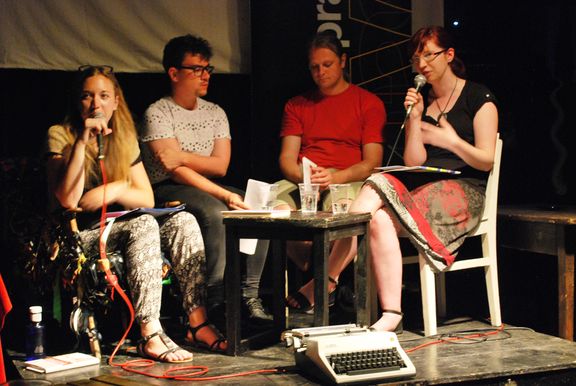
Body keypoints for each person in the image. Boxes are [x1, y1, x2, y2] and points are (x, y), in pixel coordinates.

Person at [287, 25, 499, 330]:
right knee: (378, 214)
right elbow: (414, 160)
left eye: (429, 55)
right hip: (426, 188)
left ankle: (326, 279)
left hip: (465, 194)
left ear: (449, 55)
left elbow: (487, 158)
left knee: (377, 184)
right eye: (417, 59)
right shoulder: (425, 103)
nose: (422, 65)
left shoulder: (479, 97)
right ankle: (392, 314)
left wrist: (450, 141)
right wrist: (414, 119)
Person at [45, 65, 228, 360]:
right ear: (77, 101)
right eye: (87, 96)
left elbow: (145, 195)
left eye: (104, 96)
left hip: (122, 225)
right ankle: (150, 333)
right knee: (143, 224)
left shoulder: (123, 137)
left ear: (116, 101)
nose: (96, 104)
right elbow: (67, 200)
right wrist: (83, 141)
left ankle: (198, 323)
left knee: (183, 221)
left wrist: (115, 189)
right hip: (80, 236)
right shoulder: (61, 135)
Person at [139, 34, 272, 324]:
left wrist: (181, 154)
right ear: (174, 73)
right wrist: (222, 194)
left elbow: (221, 165)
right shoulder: (157, 112)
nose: (204, 75)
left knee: (257, 206)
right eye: (196, 69)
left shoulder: (215, 113)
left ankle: (250, 295)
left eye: (207, 69)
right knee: (214, 211)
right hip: (168, 187)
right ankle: (214, 298)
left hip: (206, 184)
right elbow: (173, 169)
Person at [280, 31, 386, 310]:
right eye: (314, 66)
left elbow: (372, 161)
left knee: (350, 213)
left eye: (327, 65)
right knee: (272, 208)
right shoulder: (297, 105)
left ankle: (323, 281)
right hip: (306, 179)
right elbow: (287, 159)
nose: (320, 72)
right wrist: (306, 179)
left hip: (347, 178)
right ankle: (304, 275)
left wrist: (335, 176)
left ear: (342, 61)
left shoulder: (368, 102)